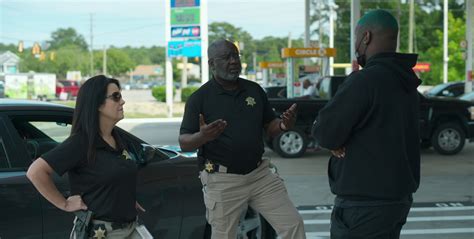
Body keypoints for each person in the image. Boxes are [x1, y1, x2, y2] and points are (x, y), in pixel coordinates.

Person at [179, 39, 306, 239]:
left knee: (293, 225)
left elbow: (270, 126)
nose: (233, 61)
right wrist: (202, 136)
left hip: (259, 175)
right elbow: (184, 141)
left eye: (235, 55)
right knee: (223, 236)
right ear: (212, 64)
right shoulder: (200, 98)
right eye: (226, 57)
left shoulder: (254, 90)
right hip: (222, 179)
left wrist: (283, 125)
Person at [312, 10, 421, 239]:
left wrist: (336, 140)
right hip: (396, 201)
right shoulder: (407, 82)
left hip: (363, 207)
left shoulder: (364, 80)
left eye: (356, 38)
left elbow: (325, 132)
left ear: (366, 37)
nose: (356, 46)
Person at [27, 75, 148, 238]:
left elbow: (111, 175)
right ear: (97, 104)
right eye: (116, 97)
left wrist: (121, 196)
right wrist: (64, 203)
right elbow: (36, 171)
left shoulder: (117, 138)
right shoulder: (81, 142)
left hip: (131, 228)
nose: (122, 102)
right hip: (101, 233)